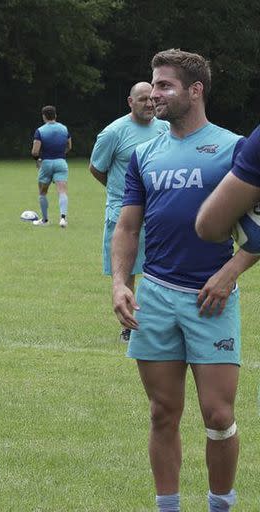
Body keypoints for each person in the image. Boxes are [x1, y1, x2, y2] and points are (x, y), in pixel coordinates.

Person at [111, 49, 256, 512]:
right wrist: (120, 283)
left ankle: (220, 505)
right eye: (153, 86)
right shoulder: (143, 154)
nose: (154, 95)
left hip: (210, 299)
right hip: (154, 295)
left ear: (195, 91)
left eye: (165, 86)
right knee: (162, 413)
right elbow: (128, 226)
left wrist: (229, 272)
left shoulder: (235, 148)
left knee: (218, 416)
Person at [90, 83, 169, 342]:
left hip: (159, 210)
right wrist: (124, 195)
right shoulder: (113, 133)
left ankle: (159, 322)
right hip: (124, 213)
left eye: (152, 99)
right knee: (127, 271)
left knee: (160, 268)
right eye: (143, 99)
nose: (149, 104)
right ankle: (129, 327)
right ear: (130, 102)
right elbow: (96, 168)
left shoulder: (164, 127)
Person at [30, 105, 71, 227]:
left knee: (42, 192)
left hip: (46, 163)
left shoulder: (40, 131)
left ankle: (45, 220)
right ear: (55, 116)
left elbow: (35, 151)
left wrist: (38, 160)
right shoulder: (64, 129)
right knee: (62, 191)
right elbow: (69, 146)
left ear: (44, 116)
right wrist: (61, 155)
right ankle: (63, 219)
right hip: (61, 163)